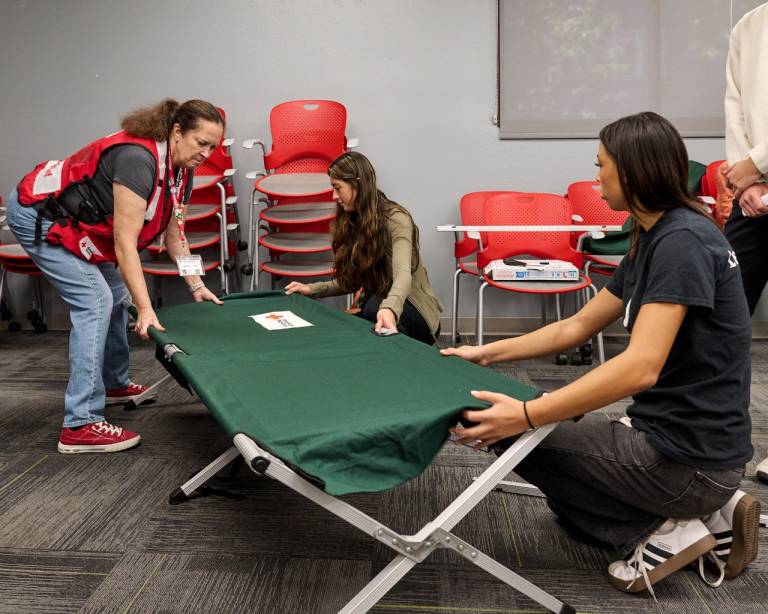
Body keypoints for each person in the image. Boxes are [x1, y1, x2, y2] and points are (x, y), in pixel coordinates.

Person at [442, 112, 760, 597]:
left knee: (503, 431)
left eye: (601, 166)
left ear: (631, 173)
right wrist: (484, 354)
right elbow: (578, 325)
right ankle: (709, 513)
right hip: (693, 448)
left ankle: (666, 530)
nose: (596, 178)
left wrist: (527, 415)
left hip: (686, 459)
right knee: (562, 499)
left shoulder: (682, 244)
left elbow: (640, 366)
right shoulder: (660, 233)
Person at [6, 98, 224, 454]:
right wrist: (146, 308)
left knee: (114, 296)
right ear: (177, 131)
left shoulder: (182, 171)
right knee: (96, 301)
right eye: (201, 143)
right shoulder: (138, 160)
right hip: (38, 213)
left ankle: (113, 384)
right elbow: (125, 244)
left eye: (213, 146)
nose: (207, 153)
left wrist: (196, 283)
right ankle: (79, 424)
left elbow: (175, 235)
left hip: (81, 225)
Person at [285, 151, 442, 345]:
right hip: (380, 306)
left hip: (417, 314)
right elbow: (350, 281)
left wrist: (389, 309)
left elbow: (403, 274)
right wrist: (310, 289)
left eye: (337, 188)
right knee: (356, 320)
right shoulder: (353, 221)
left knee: (372, 307)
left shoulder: (397, 219)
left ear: (357, 184)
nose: (334, 196)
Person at [722, 2, 768, 483]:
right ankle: (717, 439)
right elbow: (734, 105)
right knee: (724, 314)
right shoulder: (749, 23)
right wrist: (746, 180)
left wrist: (756, 164)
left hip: (758, 172)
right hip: (752, 192)